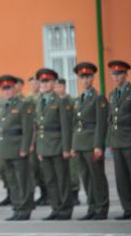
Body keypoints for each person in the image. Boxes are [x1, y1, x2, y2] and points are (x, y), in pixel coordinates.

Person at [71, 62, 109, 220]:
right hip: (80, 144)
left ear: (93, 78)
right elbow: (75, 123)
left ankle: (102, 208)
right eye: (82, 77)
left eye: (88, 77)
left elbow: (101, 124)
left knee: (97, 177)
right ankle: (92, 207)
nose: (85, 80)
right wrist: (74, 145)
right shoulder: (78, 99)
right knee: (86, 178)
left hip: (92, 143)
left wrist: (99, 145)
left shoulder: (98, 98)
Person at [34, 69, 73, 220]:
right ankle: (56, 208)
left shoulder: (60, 101)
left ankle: (65, 209)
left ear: (54, 83)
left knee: (62, 179)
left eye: (47, 81)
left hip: (58, 145)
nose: (43, 84)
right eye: (42, 81)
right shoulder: (40, 101)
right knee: (49, 180)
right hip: (44, 146)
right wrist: (39, 148)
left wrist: (66, 148)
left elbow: (66, 127)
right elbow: (38, 127)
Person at [0, 75, 34, 220]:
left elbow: (28, 129)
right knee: (11, 180)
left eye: (9, 88)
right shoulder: (2, 105)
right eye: (4, 88)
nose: (7, 91)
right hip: (5, 149)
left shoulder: (23, 105)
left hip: (18, 148)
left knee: (22, 180)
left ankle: (25, 209)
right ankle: (17, 207)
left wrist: (25, 147)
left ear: (14, 88)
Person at [107, 60, 131, 220]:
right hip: (117, 142)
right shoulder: (112, 95)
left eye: (119, 74)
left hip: (130, 141)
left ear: (126, 74)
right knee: (121, 178)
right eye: (114, 74)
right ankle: (128, 209)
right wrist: (110, 141)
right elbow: (111, 120)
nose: (116, 77)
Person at [55, 78, 80, 206]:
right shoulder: (56, 101)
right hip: (61, 138)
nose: (58, 89)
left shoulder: (70, 101)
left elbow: (73, 121)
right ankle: (67, 194)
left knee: (73, 168)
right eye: (56, 87)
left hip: (71, 136)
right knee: (64, 169)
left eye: (60, 87)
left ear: (64, 87)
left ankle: (75, 193)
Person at [27, 76, 48, 206]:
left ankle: (46, 194)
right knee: (33, 168)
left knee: (43, 169)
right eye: (32, 84)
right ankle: (35, 195)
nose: (34, 86)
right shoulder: (27, 99)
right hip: (31, 137)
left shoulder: (43, 98)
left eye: (36, 83)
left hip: (41, 136)